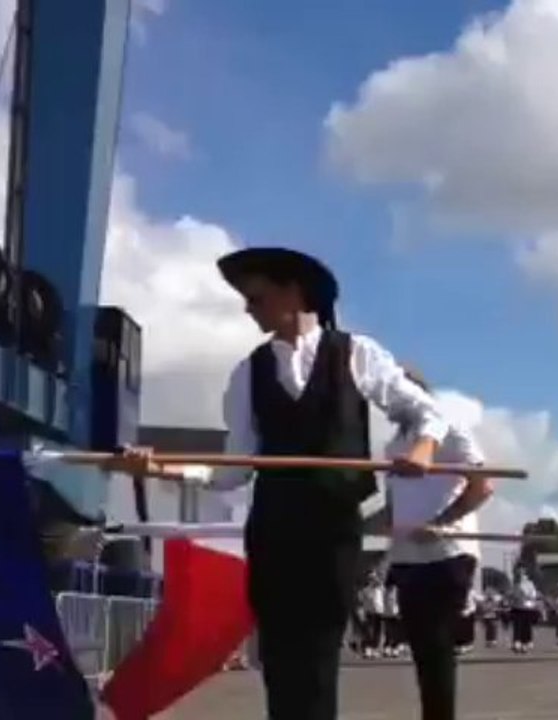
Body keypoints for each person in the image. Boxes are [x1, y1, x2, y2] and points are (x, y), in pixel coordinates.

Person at [111, 246, 450, 720]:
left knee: (319, 655)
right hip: (274, 532)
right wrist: (159, 470)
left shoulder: (357, 354)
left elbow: (425, 411)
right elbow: (233, 470)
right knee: (281, 659)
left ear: (293, 292)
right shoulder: (248, 372)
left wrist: (423, 447)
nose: (248, 309)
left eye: (256, 297)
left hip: (333, 532)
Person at [364, 367, 493, 720]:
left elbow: (482, 486)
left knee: (436, 648)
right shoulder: (394, 446)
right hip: (407, 559)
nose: (386, 405)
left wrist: (442, 522)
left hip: (447, 554)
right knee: (423, 651)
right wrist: (350, 526)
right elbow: (393, 510)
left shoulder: (449, 429)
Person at [507, 569, 541, 654]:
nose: (521, 576)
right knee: (517, 626)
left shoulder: (529, 584)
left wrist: (527, 596)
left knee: (526, 626)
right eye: (519, 574)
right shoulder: (515, 584)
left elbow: (533, 595)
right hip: (517, 607)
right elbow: (511, 595)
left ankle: (524, 643)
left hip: (527, 607)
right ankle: (517, 642)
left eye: (522, 574)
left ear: (525, 575)